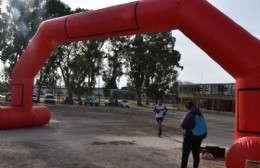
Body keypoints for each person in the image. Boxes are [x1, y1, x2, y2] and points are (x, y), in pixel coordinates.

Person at [180, 101, 207, 168]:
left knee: (185, 156)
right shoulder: (200, 114)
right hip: (199, 138)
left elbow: (183, 125)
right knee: (196, 155)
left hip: (189, 137)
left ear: (187, 107)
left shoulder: (189, 114)